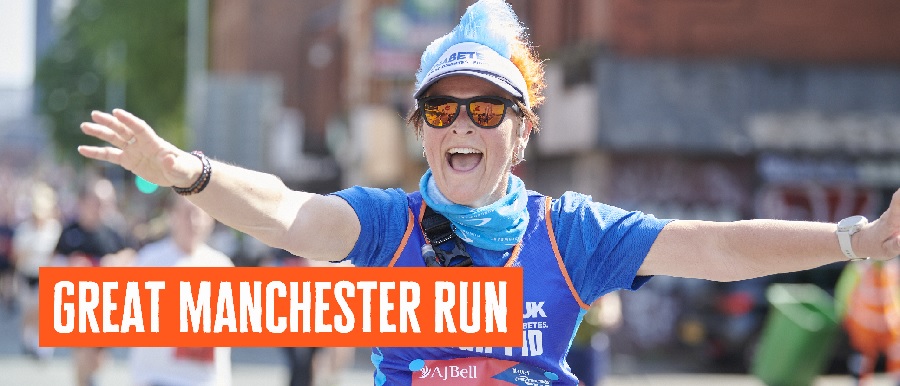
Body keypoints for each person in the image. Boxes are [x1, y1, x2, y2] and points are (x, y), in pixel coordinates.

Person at [76, 0, 900, 385]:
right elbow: (292, 212)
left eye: (485, 107)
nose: (460, 123)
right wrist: (189, 172)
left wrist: (853, 241)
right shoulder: (385, 224)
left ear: (522, 130)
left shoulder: (572, 233)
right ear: (421, 127)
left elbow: (712, 245)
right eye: (441, 106)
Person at [129, 194, 233, 386]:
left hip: (206, 380)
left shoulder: (221, 265)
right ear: (173, 216)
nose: (194, 222)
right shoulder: (148, 261)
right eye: (187, 213)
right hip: (157, 377)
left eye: (199, 214)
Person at [54, 178, 134, 386]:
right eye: (98, 201)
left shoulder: (112, 233)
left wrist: (116, 261)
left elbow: (131, 254)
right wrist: (70, 264)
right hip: (78, 303)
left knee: (99, 358)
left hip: (107, 303)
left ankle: (91, 377)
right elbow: (52, 262)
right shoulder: (70, 232)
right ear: (84, 201)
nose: (102, 207)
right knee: (83, 352)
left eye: (107, 202)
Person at [11, 182, 62, 359]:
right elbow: (16, 256)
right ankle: (28, 339)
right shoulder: (24, 230)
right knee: (29, 311)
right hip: (28, 275)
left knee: (43, 311)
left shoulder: (54, 229)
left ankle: (42, 345)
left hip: (46, 276)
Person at [835, 258, 900, 385]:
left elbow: (895, 294)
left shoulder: (893, 267)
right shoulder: (858, 267)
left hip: (889, 325)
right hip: (863, 326)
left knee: (896, 355)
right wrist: (843, 316)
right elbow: (844, 291)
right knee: (862, 360)